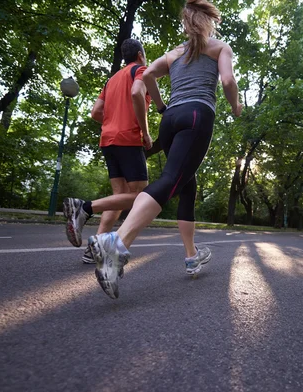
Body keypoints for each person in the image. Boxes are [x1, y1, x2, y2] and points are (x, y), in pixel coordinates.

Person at [84, 0, 243, 299]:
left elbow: (145, 78)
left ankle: (191, 253)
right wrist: (235, 105)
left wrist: (160, 106)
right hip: (197, 115)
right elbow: (227, 80)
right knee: (171, 180)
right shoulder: (219, 48)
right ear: (209, 23)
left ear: (186, 24)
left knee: (186, 183)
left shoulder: (173, 54)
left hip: (170, 121)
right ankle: (116, 243)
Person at [63, 38, 153, 264]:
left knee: (118, 197)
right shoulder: (140, 70)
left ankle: (94, 248)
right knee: (140, 197)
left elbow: (95, 113)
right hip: (128, 138)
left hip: (108, 139)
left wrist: (112, 123)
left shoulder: (111, 80)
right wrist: (145, 132)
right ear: (140, 55)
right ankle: (84, 207)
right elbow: (136, 95)